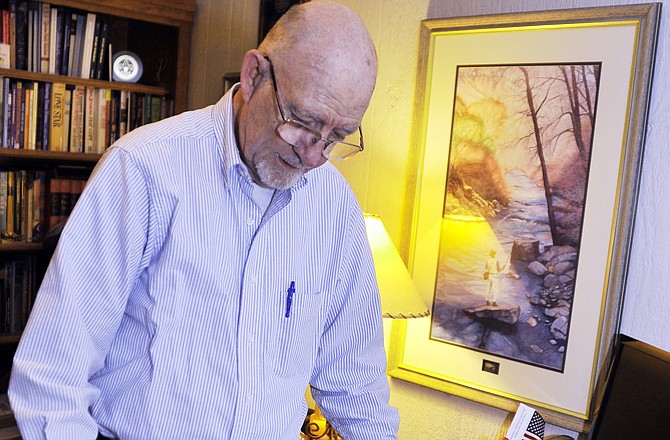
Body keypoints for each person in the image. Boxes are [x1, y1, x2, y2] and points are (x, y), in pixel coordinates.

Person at [8, 1, 400, 439]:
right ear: (254, 76)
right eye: (302, 123)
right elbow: (51, 375)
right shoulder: (144, 168)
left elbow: (357, 385)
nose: (312, 155)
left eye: (336, 138)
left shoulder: (334, 206)